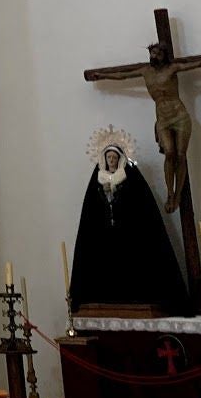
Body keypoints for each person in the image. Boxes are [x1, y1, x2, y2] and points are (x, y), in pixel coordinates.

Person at [67, 134, 188, 316]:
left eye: (115, 157)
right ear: (104, 160)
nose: (112, 161)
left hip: (128, 239)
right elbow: (90, 219)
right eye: (109, 158)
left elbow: (141, 213)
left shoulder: (131, 180)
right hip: (104, 240)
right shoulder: (97, 181)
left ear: (120, 159)